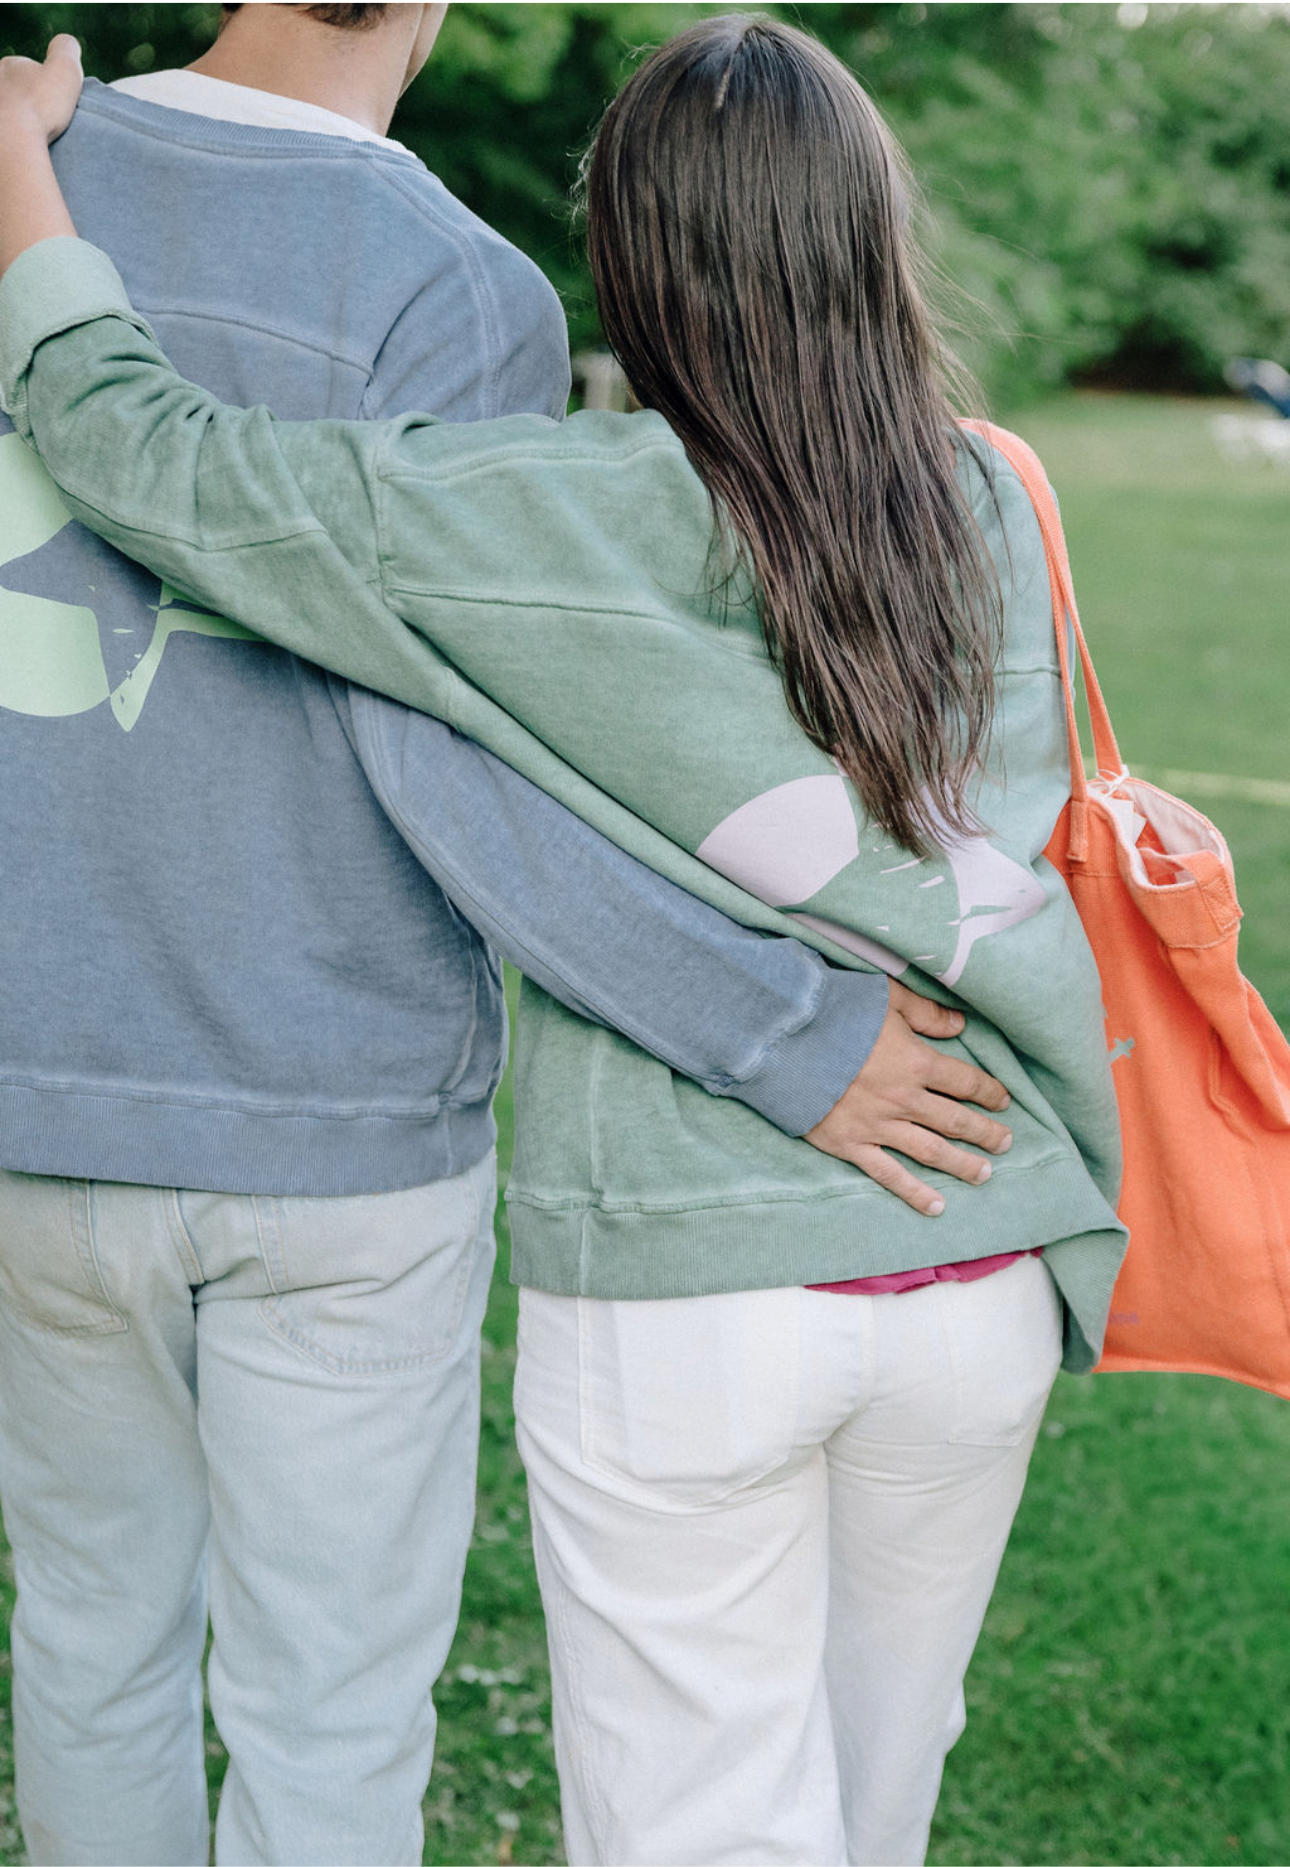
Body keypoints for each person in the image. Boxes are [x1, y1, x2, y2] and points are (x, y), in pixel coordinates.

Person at [0, 17, 1128, 1867]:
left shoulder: (566, 511)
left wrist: (23, 181)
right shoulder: (1000, 494)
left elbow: (159, 457)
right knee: (835, 1801)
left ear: (634, 265)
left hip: (639, 1259)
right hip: (965, 1242)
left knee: (121, 1653)